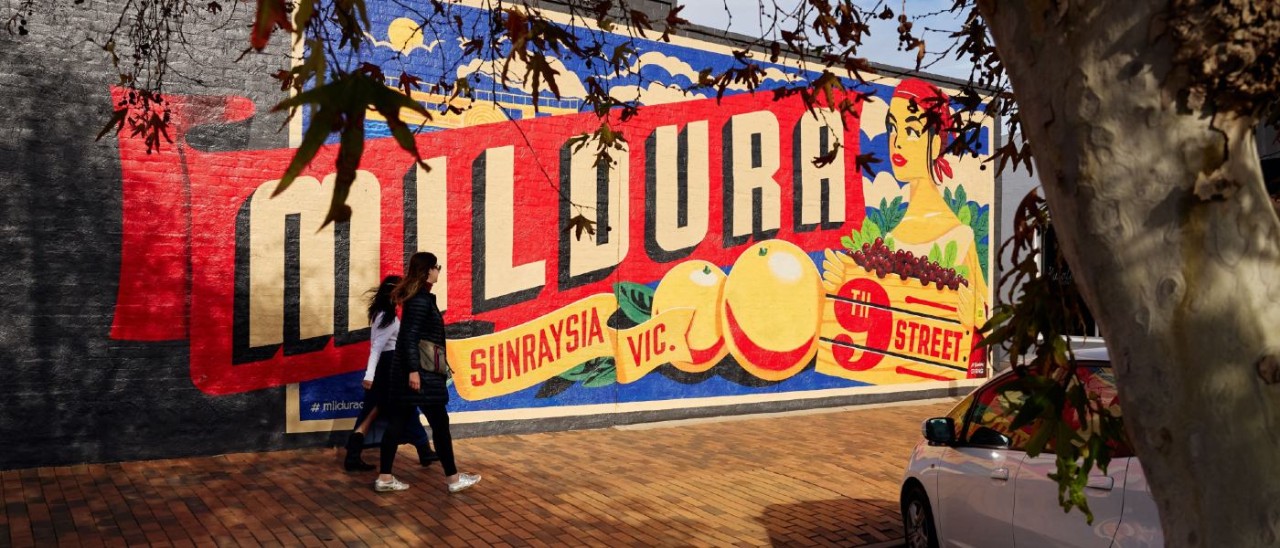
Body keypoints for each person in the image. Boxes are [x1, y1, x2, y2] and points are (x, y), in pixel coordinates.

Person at [884, 78, 989, 330]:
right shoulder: (888, 239)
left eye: (910, 131)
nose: (896, 141)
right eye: (892, 127)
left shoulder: (960, 237)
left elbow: (984, 318)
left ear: (936, 146)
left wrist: (972, 320)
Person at [375, 252, 481, 493]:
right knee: (440, 425)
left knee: (397, 424)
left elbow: (411, 336)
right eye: (437, 267)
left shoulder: (418, 298)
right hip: (420, 376)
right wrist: (413, 370)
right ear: (427, 270)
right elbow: (409, 337)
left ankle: (385, 478)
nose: (439, 271)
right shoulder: (420, 300)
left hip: (412, 373)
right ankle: (453, 480)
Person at [343, 275, 438, 472]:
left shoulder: (383, 313)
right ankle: (424, 450)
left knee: (375, 412)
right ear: (394, 292)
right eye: (402, 291)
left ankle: (353, 456)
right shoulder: (387, 317)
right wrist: (369, 375)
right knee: (403, 409)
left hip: (388, 367)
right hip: (390, 369)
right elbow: (376, 348)